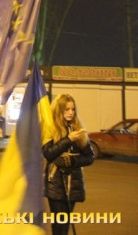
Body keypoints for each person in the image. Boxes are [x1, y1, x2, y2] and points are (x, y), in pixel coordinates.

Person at [42, 93, 94, 235]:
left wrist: (73, 161)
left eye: (73, 109)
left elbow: (89, 157)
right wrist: (68, 140)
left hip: (74, 183)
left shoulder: (78, 129)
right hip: (55, 183)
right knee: (59, 224)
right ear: (59, 110)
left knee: (65, 224)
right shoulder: (51, 128)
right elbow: (48, 153)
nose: (71, 112)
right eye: (67, 109)